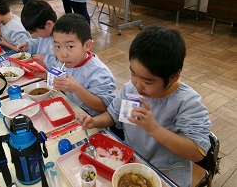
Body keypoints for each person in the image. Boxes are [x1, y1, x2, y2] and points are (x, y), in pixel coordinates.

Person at [77, 26, 211, 187]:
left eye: (148, 81)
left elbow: (197, 152)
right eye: (133, 74)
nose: (138, 85)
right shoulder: (130, 88)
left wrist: (154, 129)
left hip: (166, 174)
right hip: (129, 161)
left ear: (174, 76)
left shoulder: (187, 102)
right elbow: (113, 114)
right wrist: (94, 121)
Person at [42, 13, 116, 117]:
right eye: (57, 46)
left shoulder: (99, 72)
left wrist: (76, 88)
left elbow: (103, 107)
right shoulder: (63, 63)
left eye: (70, 46)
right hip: (69, 112)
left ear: (87, 45)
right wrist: (45, 75)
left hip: (89, 122)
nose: (62, 54)